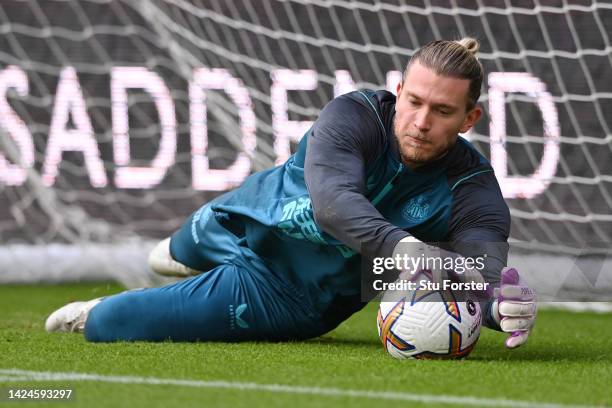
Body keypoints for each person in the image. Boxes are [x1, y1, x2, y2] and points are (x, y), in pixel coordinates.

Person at [46, 38, 536, 349]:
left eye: (443, 111)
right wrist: (407, 251)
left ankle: (113, 308)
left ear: (470, 119)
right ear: (399, 89)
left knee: (111, 323)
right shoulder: (356, 114)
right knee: (170, 253)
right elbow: (333, 205)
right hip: (239, 217)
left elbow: (478, 272)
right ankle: (184, 256)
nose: (422, 122)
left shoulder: (474, 190)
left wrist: (498, 306)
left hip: (286, 296)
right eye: (414, 102)